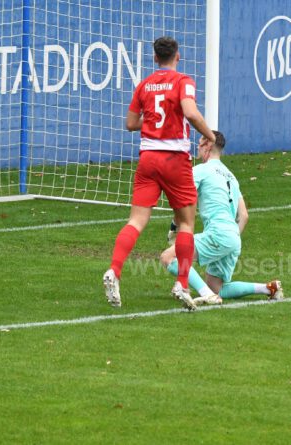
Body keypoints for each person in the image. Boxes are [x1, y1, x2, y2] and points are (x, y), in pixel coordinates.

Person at [103, 36, 216, 310]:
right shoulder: (183, 81)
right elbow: (190, 112)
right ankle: (182, 284)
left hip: (148, 159)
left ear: (155, 58)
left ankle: (114, 270)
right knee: (186, 223)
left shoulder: (144, 85)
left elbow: (131, 123)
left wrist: (153, 118)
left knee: (136, 220)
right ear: (178, 56)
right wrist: (210, 135)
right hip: (174, 159)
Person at [159, 131, 283, 305]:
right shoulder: (231, 176)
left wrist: (174, 226)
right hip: (233, 237)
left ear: (208, 145)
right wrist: (232, 238)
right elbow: (244, 216)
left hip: (218, 233)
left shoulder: (200, 170)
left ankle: (206, 295)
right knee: (216, 287)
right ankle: (267, 288)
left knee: (168, 257)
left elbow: (185, 203)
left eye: (200, 143)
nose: (197, 147)